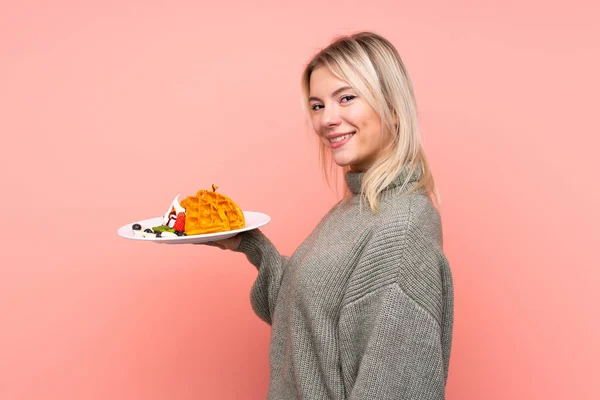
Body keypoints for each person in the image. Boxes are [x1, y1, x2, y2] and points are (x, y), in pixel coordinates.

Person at [207, 31, 454, 399]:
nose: (326, 120)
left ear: (393, 107)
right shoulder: (356, 206)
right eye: (318, 105)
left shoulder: (401, 230)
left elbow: (394, 387)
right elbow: (309, 323)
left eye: (347, 98)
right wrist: (249, 243)